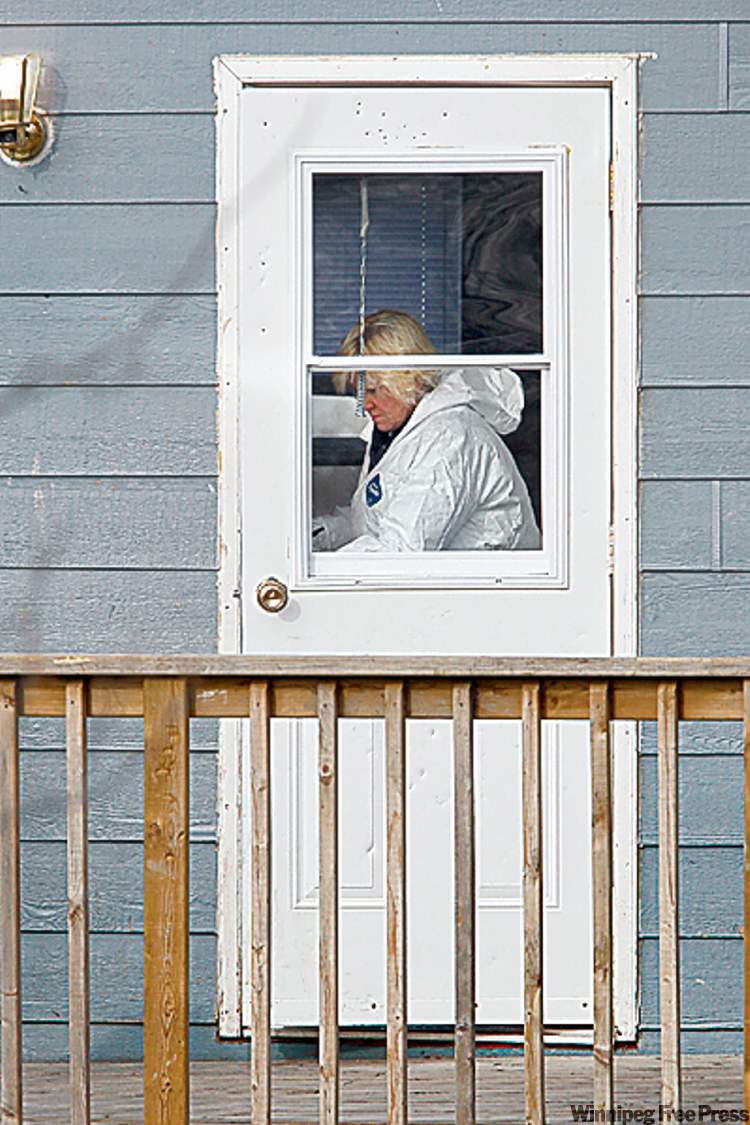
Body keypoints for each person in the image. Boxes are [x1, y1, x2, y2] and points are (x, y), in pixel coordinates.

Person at [313, 309, 540, 553]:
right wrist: (319, 536)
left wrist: (314, 569)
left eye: (374, 390)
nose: (366, 405)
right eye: (359, 393)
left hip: (483, 588)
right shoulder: (401, 429)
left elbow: (401, 550)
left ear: (411, 380)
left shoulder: (450, 437)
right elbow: (372, 519)